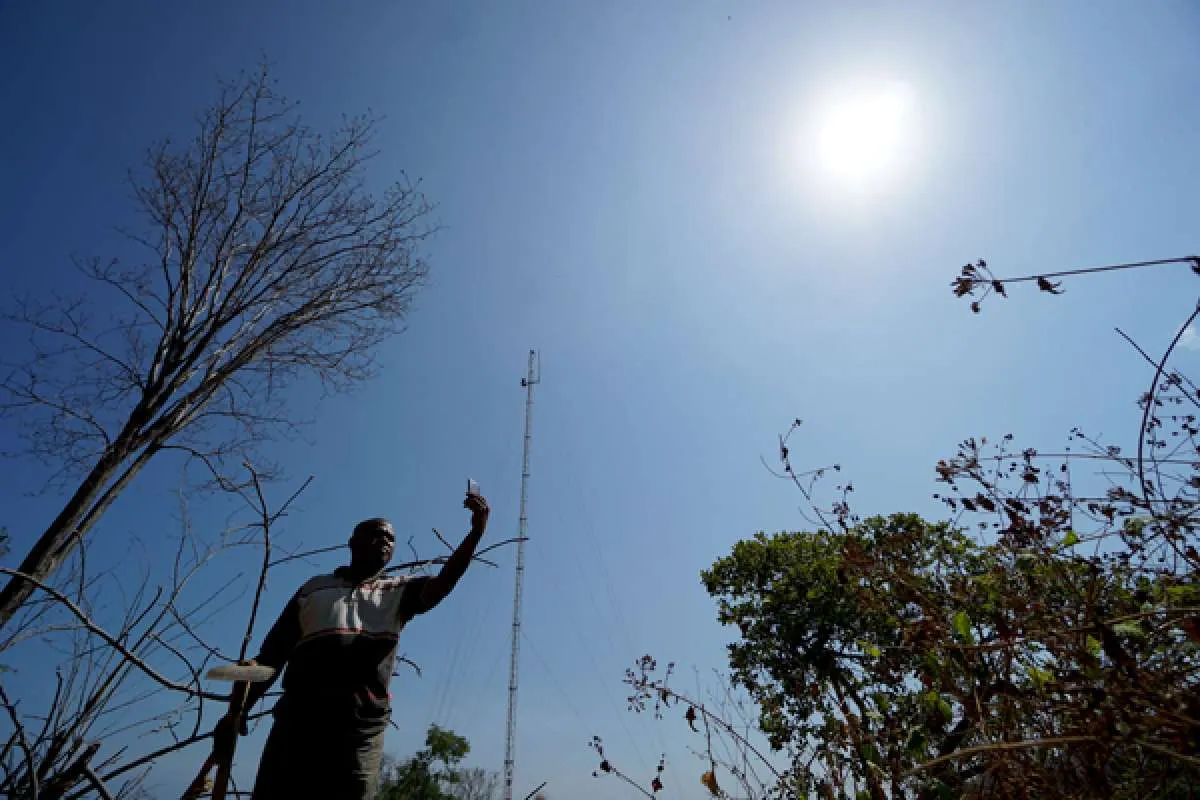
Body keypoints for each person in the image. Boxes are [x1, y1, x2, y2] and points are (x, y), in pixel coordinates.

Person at [214, 490, 490, 799]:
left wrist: (475, 534)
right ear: (353, 542)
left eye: (391, 539)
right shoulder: (312, 590)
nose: (385, 542)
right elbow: (271, 658)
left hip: (359, 733)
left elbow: (443, 584)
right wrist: (235, 715)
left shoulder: (398, 592)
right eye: (377, 535)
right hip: (297, 727)